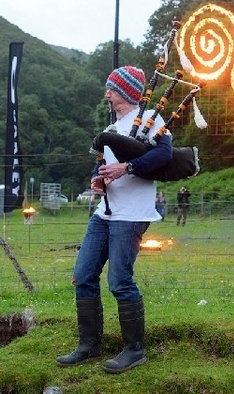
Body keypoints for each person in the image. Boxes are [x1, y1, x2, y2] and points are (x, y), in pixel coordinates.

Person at [56, 66, 172, 373]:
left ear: (127, 92)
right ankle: (89, 345)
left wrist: (127, 168)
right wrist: (99, 180)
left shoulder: (150, 120)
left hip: (132, 214)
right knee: (83, 276)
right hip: (104, 213)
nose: (107, 93)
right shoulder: (114, 126)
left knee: (120, 281)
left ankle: (134, 350)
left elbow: (164, 156)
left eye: (112, 88)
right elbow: (104, 167)